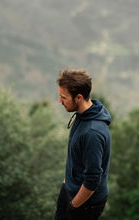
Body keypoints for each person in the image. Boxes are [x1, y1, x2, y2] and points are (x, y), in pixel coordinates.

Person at [53, 69, 111, 220]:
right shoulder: (82, 114)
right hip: (70, 191)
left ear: (78, 97)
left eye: (63, 97)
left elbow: (93, 179)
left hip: (85, 204)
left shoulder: (92, 133)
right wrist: (66, 184)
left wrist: (74, 205)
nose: (60, 101)